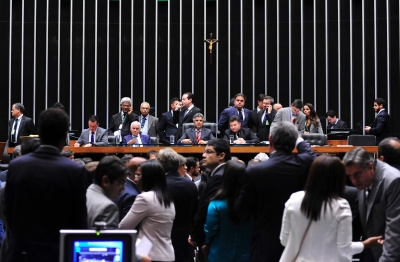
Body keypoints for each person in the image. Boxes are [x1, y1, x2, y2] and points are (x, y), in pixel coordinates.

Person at [4, 108, 87, 261]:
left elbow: (9, 213)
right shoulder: (75, 170)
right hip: (58, 252)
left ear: (39, 133)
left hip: (22, 252)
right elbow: (79, 221)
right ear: (65, 136)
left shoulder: (17, 166)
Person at [236, 121, 316, 261]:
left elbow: (242, 211)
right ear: (294, 141)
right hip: (300, 242)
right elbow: (311, 155)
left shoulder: (255, 171)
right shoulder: (305, 163)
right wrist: (298, 139)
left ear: (270, 139)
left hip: (265, 245)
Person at [279, 155, 383, 262]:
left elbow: (284, 240)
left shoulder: (294, 198)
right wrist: (366, 244)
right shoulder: (341, 206)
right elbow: (345, 249)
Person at [343, 147, 400, 261]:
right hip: (370, 247)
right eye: (350, 176)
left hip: (389, 251)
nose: (354, 181)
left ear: (370, 167)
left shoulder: (393, 181)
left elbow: (395, 231)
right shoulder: (363, 178)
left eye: (357, 174)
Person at [119, 160, 175, 262]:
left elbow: (124, 227)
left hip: (148, 256)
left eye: (138, 176)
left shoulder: (144, 198)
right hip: (167, 254)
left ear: (149, 178)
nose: (135, 180)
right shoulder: (168, 199)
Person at [202, 160, 253, 262]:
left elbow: (210, 230)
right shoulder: (252, 204)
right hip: (247, 255)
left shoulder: (216, 204)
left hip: (219, 254)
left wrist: (206, 244)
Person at [190, 139, 231, 252]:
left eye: (208, 152)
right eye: (204, 152)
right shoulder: (224, 172)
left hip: (215, 237)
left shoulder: (219, 176)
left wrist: (195, 234)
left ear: (222, 155)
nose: (203, 155)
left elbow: (207, 207)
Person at [157, 148, 198, 262]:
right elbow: (196, 211)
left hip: (164, 238)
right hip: (186, 238)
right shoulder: (190, 184)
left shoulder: (160, 184)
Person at [86, 156, 129, 228]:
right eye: (121, 183)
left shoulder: (84, 194)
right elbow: (107, 239)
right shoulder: (108, 207)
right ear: (105, 181)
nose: (123, 189)